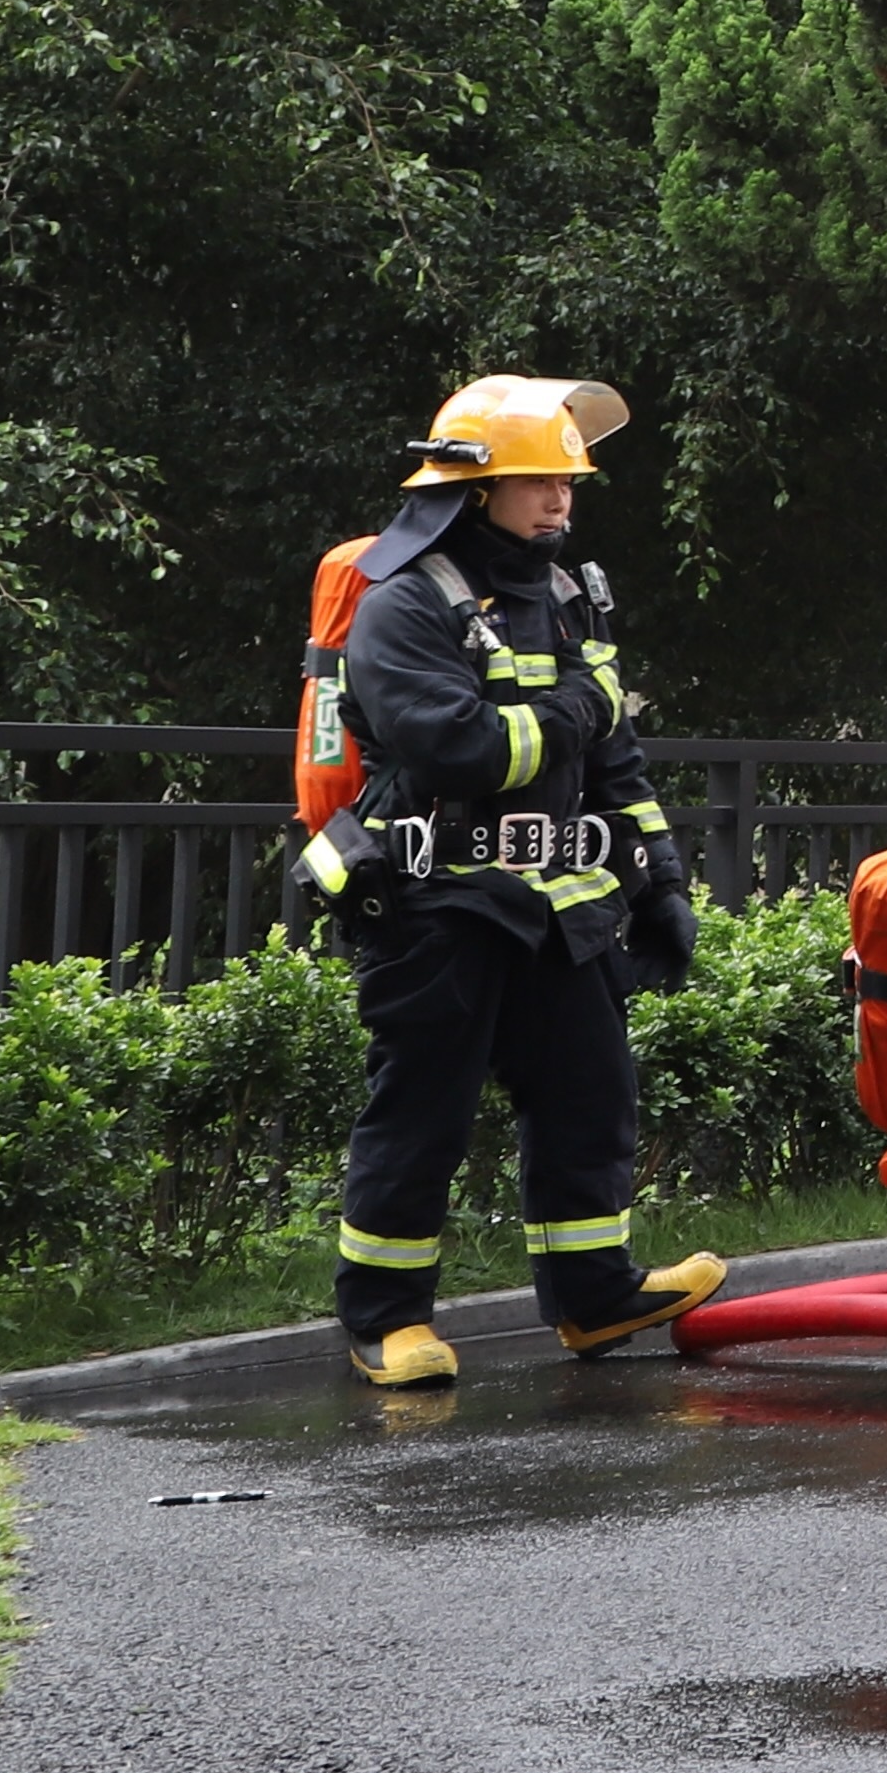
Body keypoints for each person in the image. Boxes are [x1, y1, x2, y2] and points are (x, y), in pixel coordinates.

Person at [302, 376, 726, 1389]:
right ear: (469, 486)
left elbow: (615, 753)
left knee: (591, 1092)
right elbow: (456, 746)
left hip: (557, 904)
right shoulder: (403, 603)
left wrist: (661, 876)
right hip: (437, 903)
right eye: (538, 479)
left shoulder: (570, 594)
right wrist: (577, 714)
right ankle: (387, 1319)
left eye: (568, 481)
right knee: (424, 1113)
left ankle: (595, 1296)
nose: (560, 499)